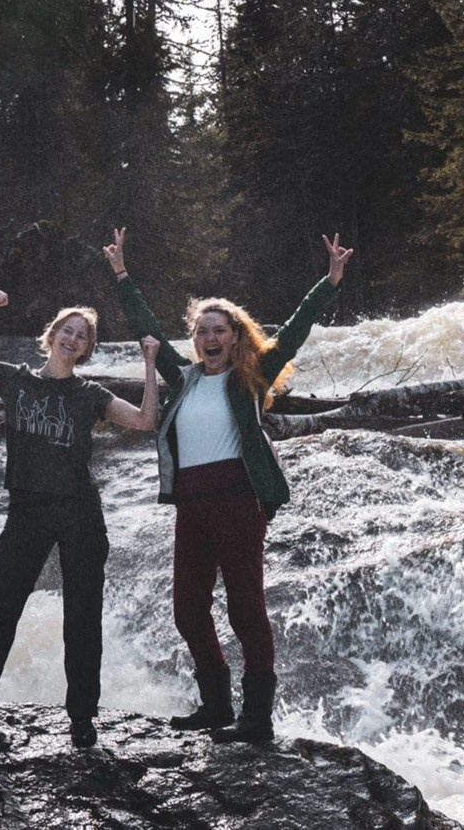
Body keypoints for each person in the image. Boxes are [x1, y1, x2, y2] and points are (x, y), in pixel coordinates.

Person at [103, 227, 351, 744]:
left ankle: (256, 716)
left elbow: (295, 332)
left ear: (235, 337)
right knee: (188, 610)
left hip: (238, 500)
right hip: (191, 505)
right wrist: (122, 274)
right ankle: (216, 705)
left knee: (245, 608)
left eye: (219, 330)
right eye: (202, 332)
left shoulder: (251, 375)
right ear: (194, 340)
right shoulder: (185, 378)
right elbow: (147, 327)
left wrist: (328, 282)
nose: (210, 339)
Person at [0, 286, 161, 749]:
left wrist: (150, 363)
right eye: (67, 330)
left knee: (82, 616)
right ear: (52, 335)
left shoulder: (89, 394)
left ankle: (81, 719)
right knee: (0, 607)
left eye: (82, 336)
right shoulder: (15, 381)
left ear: (86, 349)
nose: (73, 339)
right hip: (27, 510)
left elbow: (144, 420)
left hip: (79, 511)